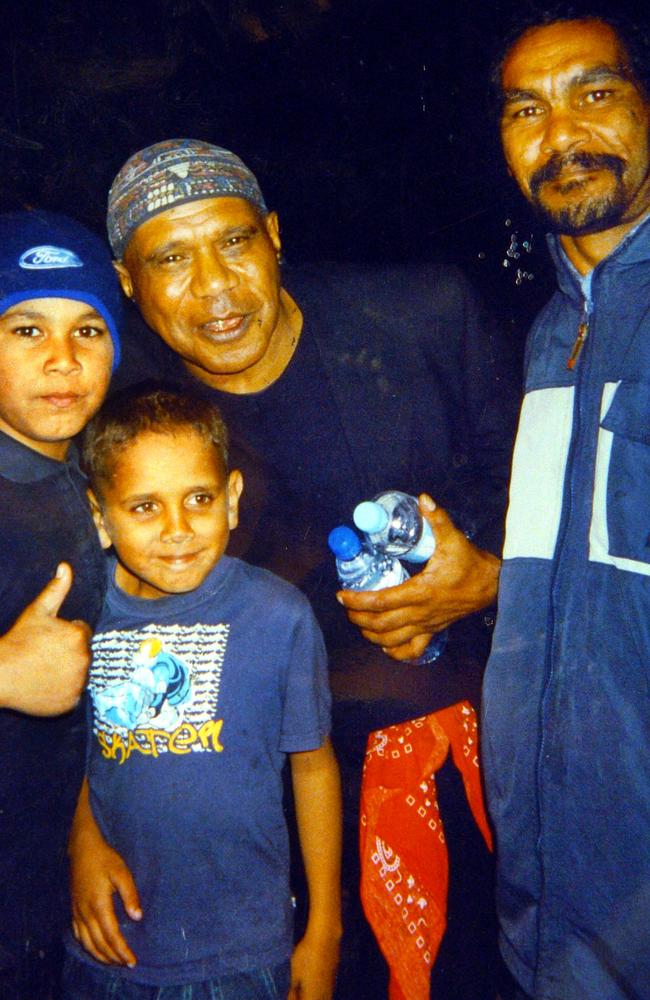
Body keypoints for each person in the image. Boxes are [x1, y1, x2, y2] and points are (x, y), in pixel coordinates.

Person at [72, 139, 519, 999]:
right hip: (235, 798)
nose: (215, 286)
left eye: (235, 242)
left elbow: (541, 501)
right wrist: (80, 833)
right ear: (128, 284)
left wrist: (485, 575)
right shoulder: (118, 396)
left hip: (449, 757)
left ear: (275, 236)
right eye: (169, 257)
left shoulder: (422, 317)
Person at [63, 386, 341, 1000]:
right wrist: (83, 845)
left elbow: (314, 768)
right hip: (110, 946)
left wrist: (325, 928)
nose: (178, 530)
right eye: (144, 507)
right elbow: (80, 755)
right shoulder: (80, 615)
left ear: (233, 500)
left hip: (241, 953)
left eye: (199, 499)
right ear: (99, 517)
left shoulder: (279, 616)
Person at [481, 10, 650, 999]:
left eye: (593, 93)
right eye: (524, 111)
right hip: (546, 905)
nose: (560, 136)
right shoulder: (548, 336)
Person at [0, 211, 122, 999]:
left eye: (88, 329)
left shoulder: (87, 475)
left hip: (48, 895)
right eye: (23, 329)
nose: (61, 359)